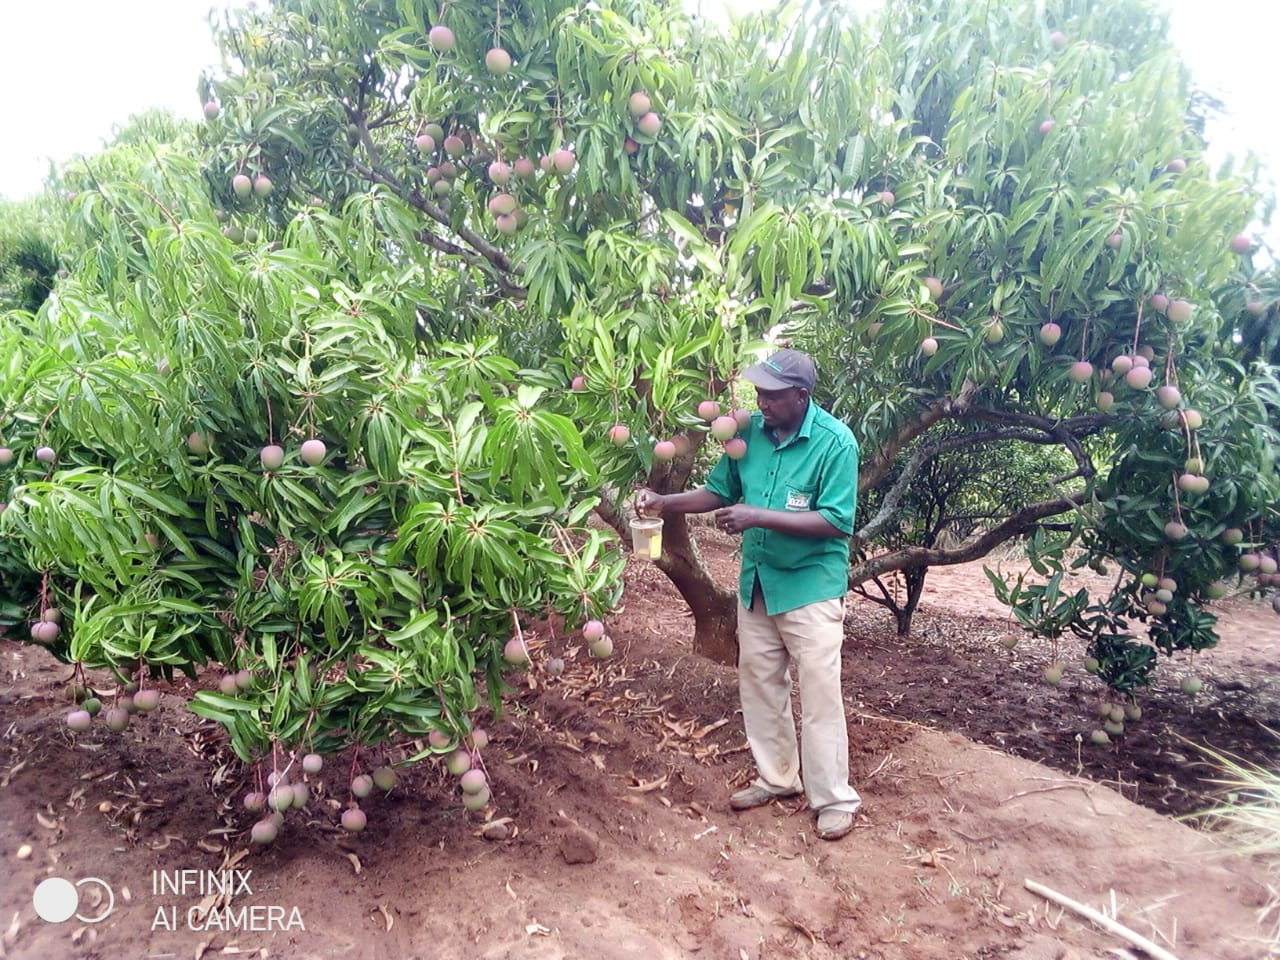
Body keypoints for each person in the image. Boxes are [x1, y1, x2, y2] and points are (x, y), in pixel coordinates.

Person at [635, 348, 863, 841]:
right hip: (758, 583)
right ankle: (778, 778)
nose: (761, 403)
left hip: (810, 587)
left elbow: (835, 521)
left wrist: (756, 515)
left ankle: (833, 798)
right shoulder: (748, 435)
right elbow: (719, 491)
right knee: (760, 685)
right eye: (758, 392)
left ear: (802, 396)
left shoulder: (835, 443)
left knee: (820, 697)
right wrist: (664, 502)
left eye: (773, 396)